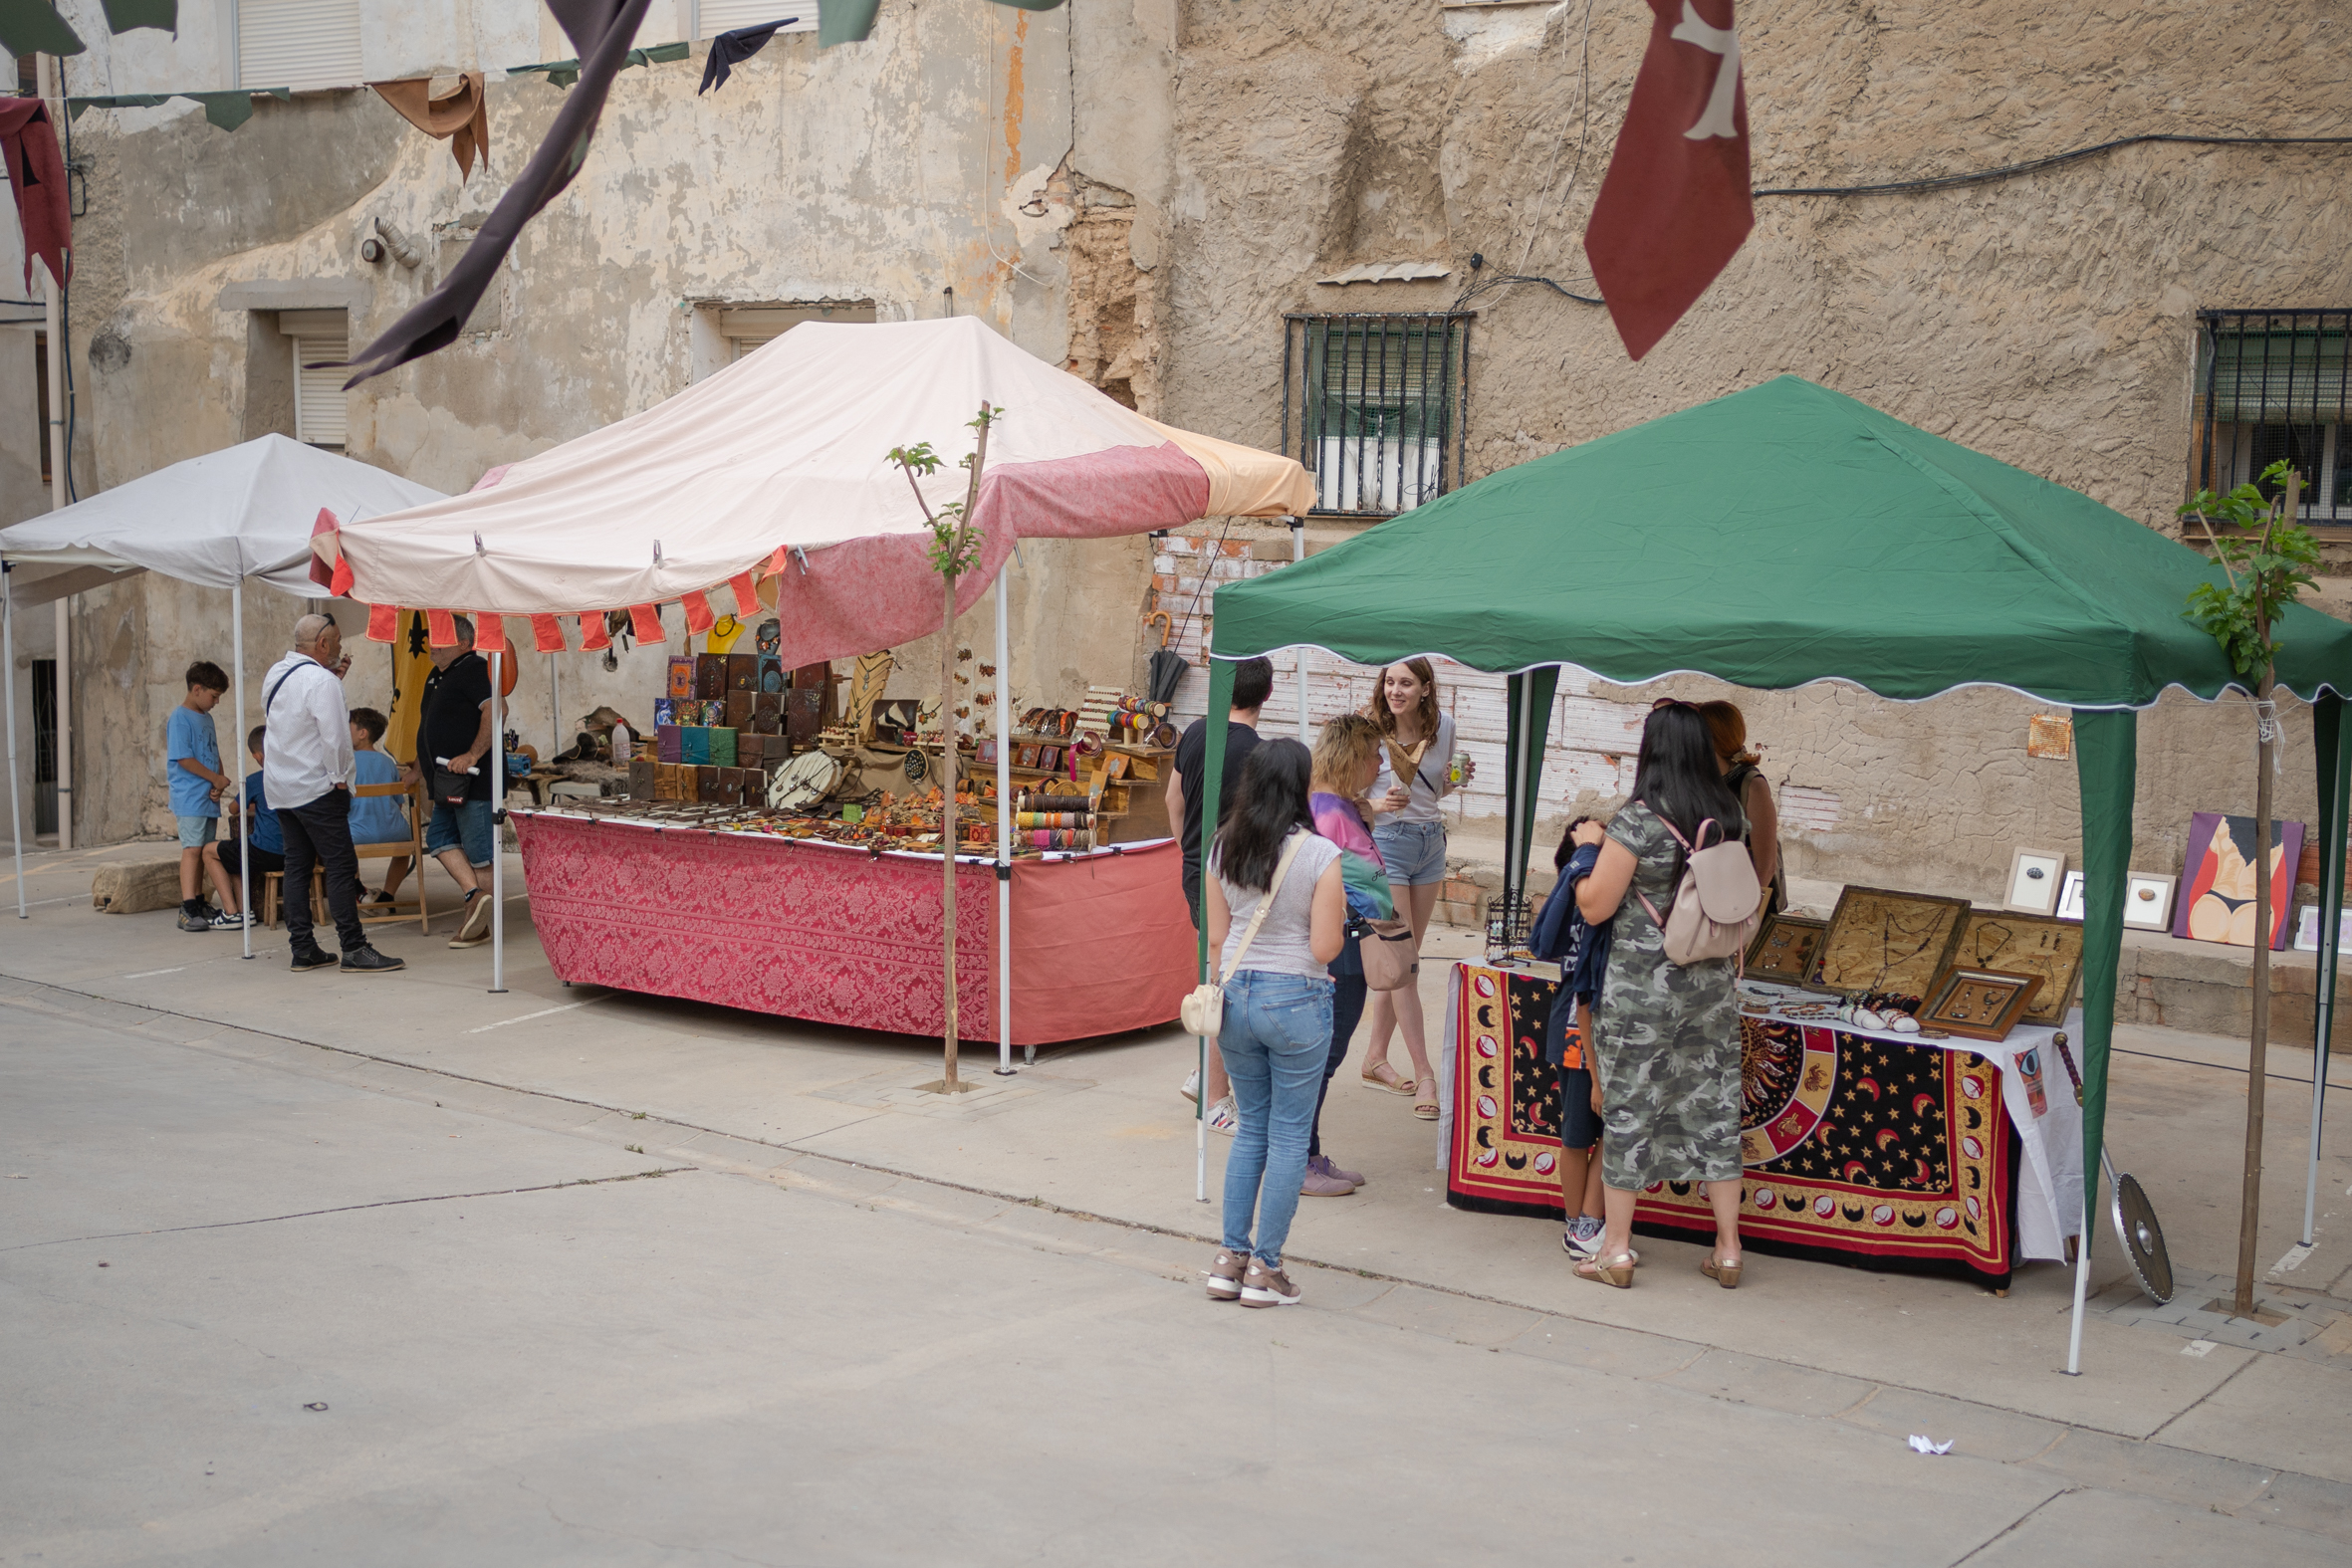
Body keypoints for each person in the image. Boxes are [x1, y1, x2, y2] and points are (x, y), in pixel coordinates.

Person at [1570, 700, 1748, 1289]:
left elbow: (1596, 905)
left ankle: (1615, 1250)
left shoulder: (1638, 821)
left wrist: (1587, 851)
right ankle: (1728, 1249)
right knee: (1716, 1109)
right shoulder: (1729, 816)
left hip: (1641, 992)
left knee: (1630, 1109)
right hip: (1712, 989)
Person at [1201, 740, 1345, 1308]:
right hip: (1296, 1000)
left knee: (1251, 1129)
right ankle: (1266, 1269)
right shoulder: (1321, 853)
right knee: (1288, 1135)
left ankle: (1229, 1261)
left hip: (1235, 997)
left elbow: (1217, 937)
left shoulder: (1222, 845)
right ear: (1301, 786)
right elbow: (1325, 948)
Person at [1360, 657, 1474, 1120]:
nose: (1395, 690)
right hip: (1386, 842)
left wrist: (1454, 782)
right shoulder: (1368, 729)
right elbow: (1335, 792)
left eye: (1405, 683)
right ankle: (1426, 1073)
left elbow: (1435, 792)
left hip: (1430, 843)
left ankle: (1374, 1057)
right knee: (1402, 961)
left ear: (1426, 688)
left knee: (1403, 959)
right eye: (1390, 681)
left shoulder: (1444, 726)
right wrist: (1376, 803)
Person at [1167, 653, 1276, 1134]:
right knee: (1224, 982)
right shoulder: (1259, 753)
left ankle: (1205, 1074)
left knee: (1218, 973)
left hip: (1197, 870)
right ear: (1267, 694)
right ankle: (1214, 1096)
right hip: (1234, 878)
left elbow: (1173, 800)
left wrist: (1188, 850)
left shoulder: (1195, 732)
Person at [262, 613, 403, 974]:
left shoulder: (277, 673)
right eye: (338, 641)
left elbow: (296, 720)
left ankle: (303, 949)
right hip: (316, 787)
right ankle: (353, 947)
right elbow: (336, 738)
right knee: (341, 866)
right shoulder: (322, 682)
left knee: (297, 866)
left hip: (282, 787)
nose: (341, 647)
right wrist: (341, 779)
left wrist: (331, 679)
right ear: (323, 644)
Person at [1301, 713, 1391, 1197]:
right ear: (1352, 757)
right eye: (1374, 754)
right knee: (1323, 1057)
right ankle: (1300, 1161)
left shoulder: (1334, 806)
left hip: (1348, 940)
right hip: (1343, 945)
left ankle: (1310, 1153)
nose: (1379, 764)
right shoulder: (1330, 812)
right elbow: (1355, 884)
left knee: (1325, 1058)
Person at [1532, 814, 1611, 1258]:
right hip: (1580, 1029)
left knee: (1595, 1132)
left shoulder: (1581, 892)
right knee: (1580, 1134)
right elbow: (1583, 994)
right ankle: (1581, 1225)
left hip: (1584, 1026)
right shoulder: (1590, 898)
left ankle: (1584, 1222)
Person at [400, 617, 499, 950]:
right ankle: (474, 896)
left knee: (479, 854)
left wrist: (472, 755)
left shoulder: (475, 668)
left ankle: (482, 926)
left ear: (463, 643)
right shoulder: (437, 675)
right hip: (446, 783)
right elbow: (430, 728)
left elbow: (496, 709)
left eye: (441, 638)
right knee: (439, 837)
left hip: (473, 783)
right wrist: (417, 770)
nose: (433, 644)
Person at [165, 660, 244, 932]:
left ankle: (199, 901)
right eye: (214, 696)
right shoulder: (180, 718)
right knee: (192, 850)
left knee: (203, 850)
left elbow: (214, 751)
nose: (216, 702)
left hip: (207, 796)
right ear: (197, 689)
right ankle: (187, 906)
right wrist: (214, 778)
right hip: (190, 797)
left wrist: (219, 780)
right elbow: (184, 758)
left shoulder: (206, 718)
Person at [1698, 699, 1782, 915]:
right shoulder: (1701, 779)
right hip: (1709, 900)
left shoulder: (1752, 784)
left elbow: (1766, 866)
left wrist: (1742, 913)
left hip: (1743, 907)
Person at [347, 707, 414, 906]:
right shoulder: (388, 763)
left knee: (335, 841)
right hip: (395, 832)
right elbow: (398, 804)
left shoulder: (347, 762)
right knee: (404, 851)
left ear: (362, 733)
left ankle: (356, 888)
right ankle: (388, 895)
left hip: (356, 834)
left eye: (348, 727)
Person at [211, 726, 282, 912]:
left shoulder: (255, 780)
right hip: (298, 853)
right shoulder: (295, 775)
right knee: (234, 853)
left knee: (209, 851)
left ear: (257, 756)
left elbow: (234, 809)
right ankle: (243, 911)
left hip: (267, 852)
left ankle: (232, 912)